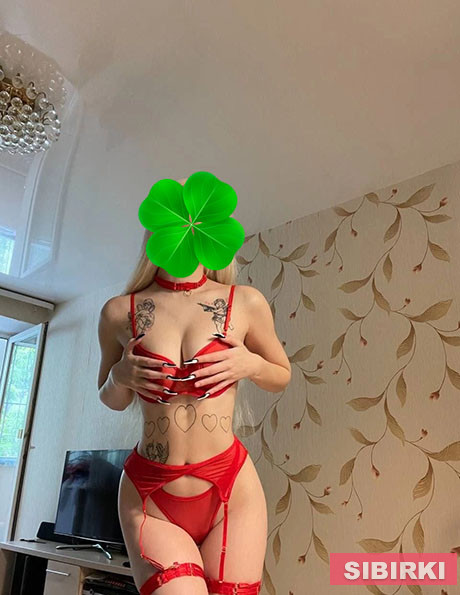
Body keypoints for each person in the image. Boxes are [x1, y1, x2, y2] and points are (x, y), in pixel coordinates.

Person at [97, 222, 291, 594]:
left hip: (233, 491)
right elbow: (111, 399)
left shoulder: (245, 302)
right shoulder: (119, 311)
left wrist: (250, 364)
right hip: (150, 494)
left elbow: (281, 374)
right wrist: (119, 376)